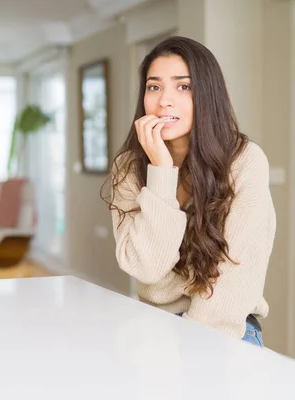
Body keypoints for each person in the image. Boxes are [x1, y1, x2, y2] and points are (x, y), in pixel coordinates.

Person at [102, 36, 276, 347]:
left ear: (207, 96)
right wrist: (161, 171)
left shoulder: (245, 161)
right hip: (155, 331)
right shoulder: (128, 168)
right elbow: (147, 268)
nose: (164, 100)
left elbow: (233, 287)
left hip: (226, 332)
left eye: (183, 86)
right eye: (154, 87)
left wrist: (191, 354)